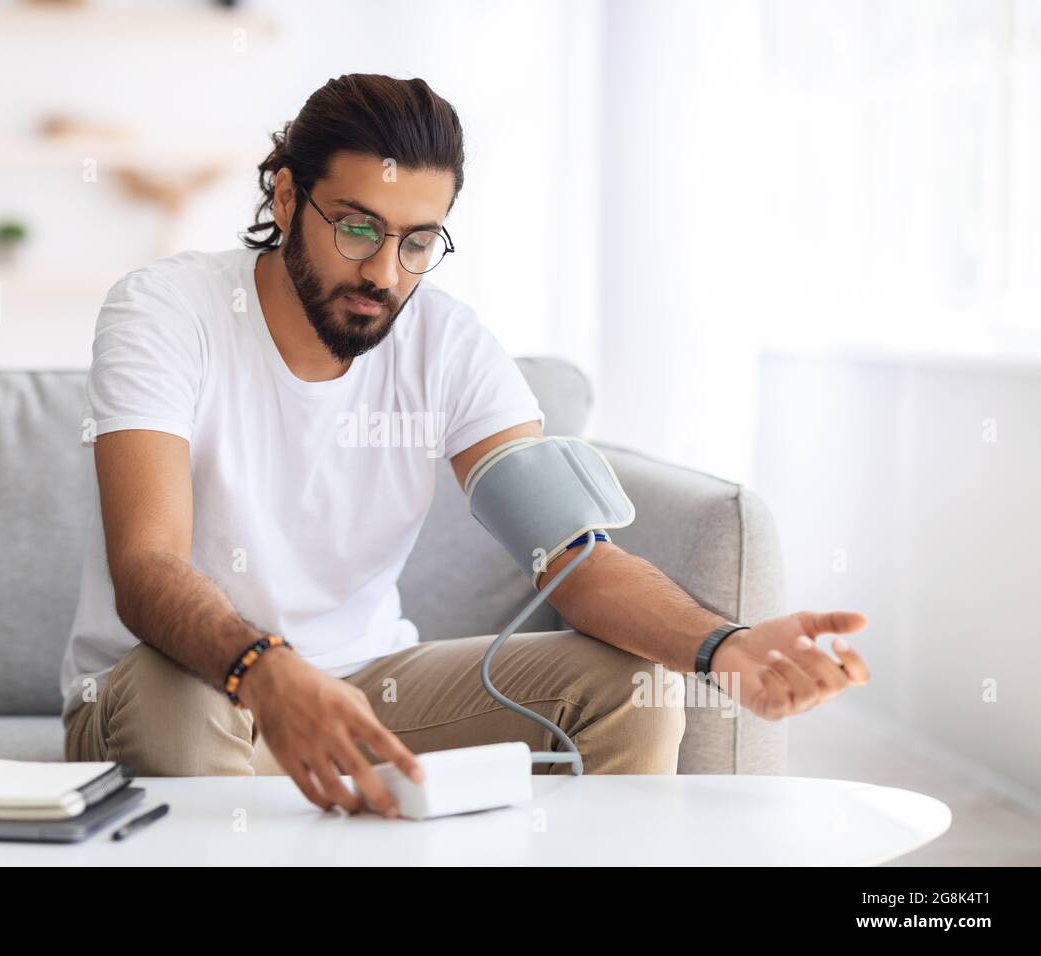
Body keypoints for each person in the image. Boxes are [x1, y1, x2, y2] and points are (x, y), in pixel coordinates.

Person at [60, 73, 870, 818]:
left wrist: (723, 645)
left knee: (629, 683)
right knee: (187, 697)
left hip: (366, 682)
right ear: (284, 195)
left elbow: (573, 560)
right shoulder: (166, 312)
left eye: (418, 241)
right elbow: (147, 569)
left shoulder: (446, 343)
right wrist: (267, 672)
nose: (384, 273)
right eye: (356, 228)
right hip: (182, 682)